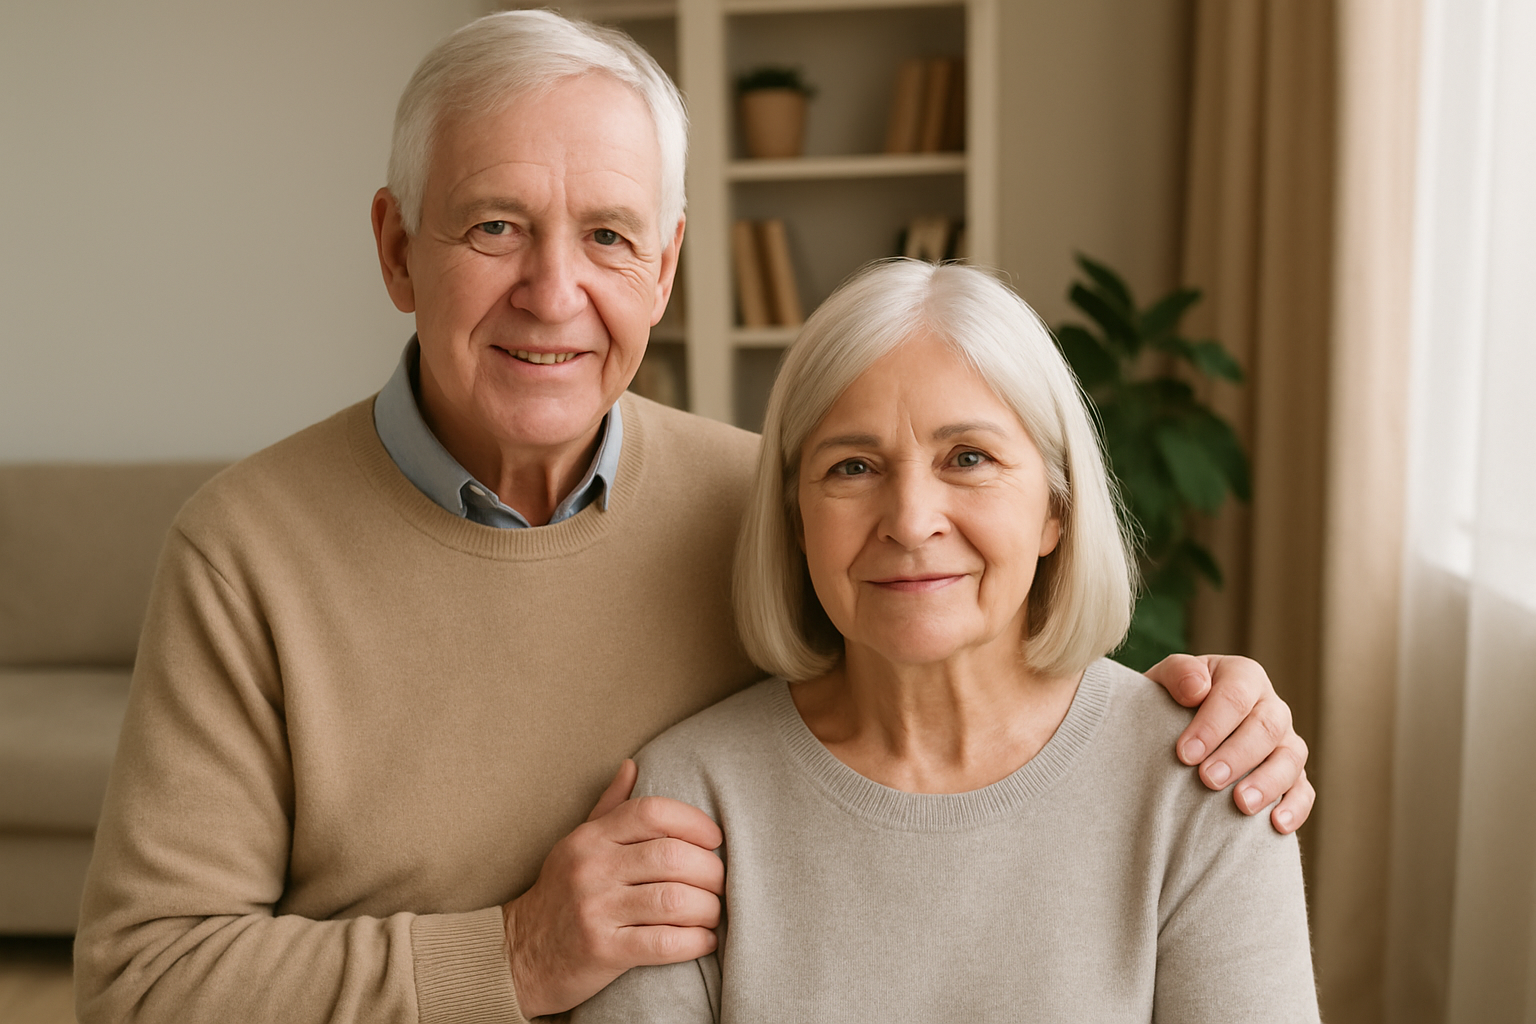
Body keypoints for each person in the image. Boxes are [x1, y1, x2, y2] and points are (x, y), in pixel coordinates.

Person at [74, 12, 1313, 1024]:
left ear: (663, 269)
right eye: (495, 225)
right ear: (399, 250)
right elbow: (138, 981)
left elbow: (973, 703)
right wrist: (509, 956)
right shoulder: (244, 553)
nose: (553, 291)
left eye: (607, 236)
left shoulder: (779, 509)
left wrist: (1210, 710)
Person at [570, 260, 1320, 1022]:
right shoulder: (689, 801)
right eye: (852, 467)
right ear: (797, 523)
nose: (910, 519)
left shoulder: (1205, 777)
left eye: (969, 458)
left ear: (1055, 509)